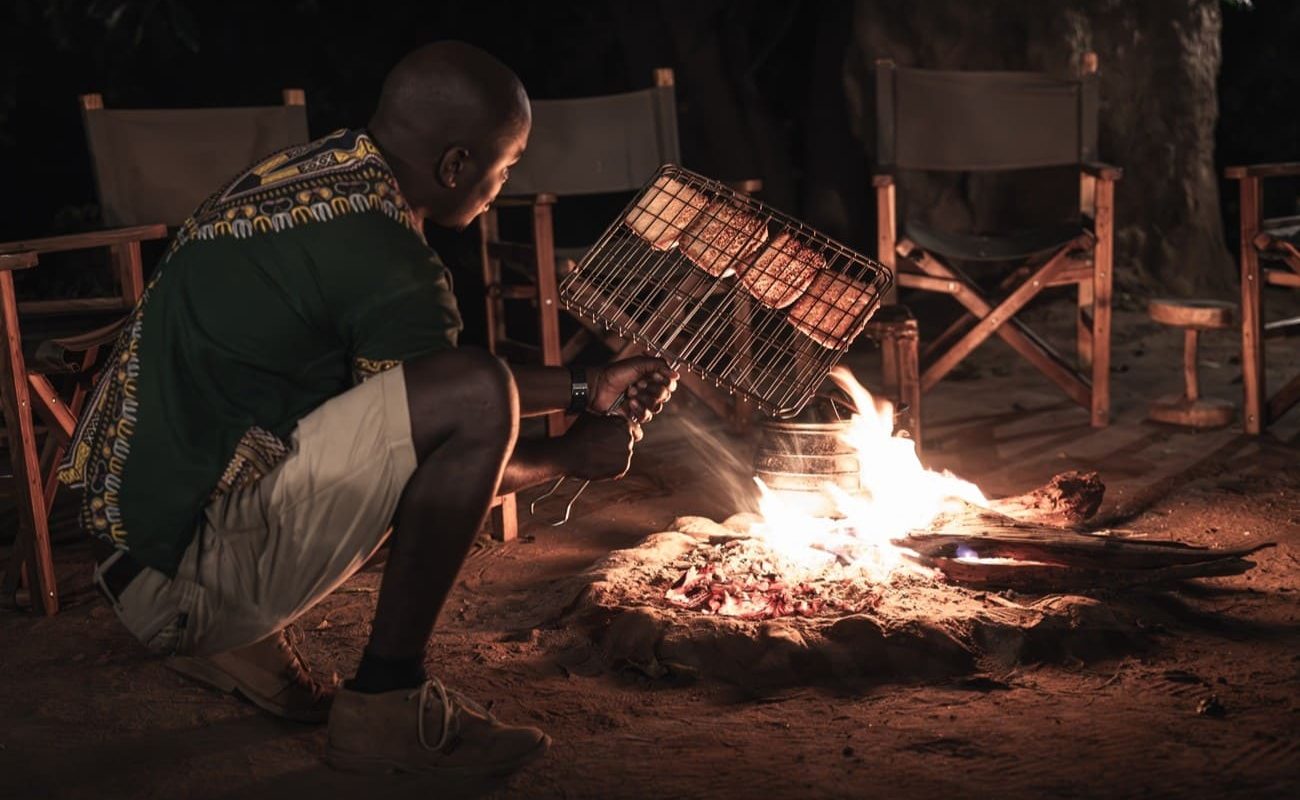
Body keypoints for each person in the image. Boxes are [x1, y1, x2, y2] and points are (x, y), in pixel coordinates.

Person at [58, 41, 677, 777]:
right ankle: (387, 699)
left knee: (463, 391)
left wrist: (585, 386)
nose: (505, 181)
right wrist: (570, 456)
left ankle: (234, 641)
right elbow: (443, 444)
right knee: (474, 393)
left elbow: (402, 406)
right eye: (504, 164)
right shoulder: (396, 265)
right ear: (454, 166)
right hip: (180, 581)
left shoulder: (313, 173)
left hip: (125, 541)